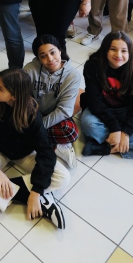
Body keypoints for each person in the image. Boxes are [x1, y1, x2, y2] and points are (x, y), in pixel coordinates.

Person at [0, 69, 69, 229]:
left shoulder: (32, 112)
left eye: (1, 88)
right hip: (1, 152)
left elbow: (46, 152)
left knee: (63, 177)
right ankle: (44, 200)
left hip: (26, 154)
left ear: (14, 96)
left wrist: (36, 191)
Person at [80, 31, 133, 158]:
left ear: (130, 53)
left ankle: (107, 147)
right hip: (103, 109)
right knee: (88, 125)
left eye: (124, 51)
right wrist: (114, 127)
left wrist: (126, 133)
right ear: (105, 50)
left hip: (128, 111)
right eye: (113, 49)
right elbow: (94, 101)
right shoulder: (92, 66)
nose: (118, 55)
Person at [24, 35, 81, 169]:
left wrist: (38, 127)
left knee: (70, 132)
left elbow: (64, 110)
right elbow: (22, 98)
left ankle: (50, 143)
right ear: (38, 58)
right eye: (43, 56)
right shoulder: (29, 70)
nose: (50, 59)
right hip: (34, 112)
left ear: (60, 51)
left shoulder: (73, 75)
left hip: (54, 113)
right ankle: (50, 143)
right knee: (15, 125)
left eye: (53, 52)